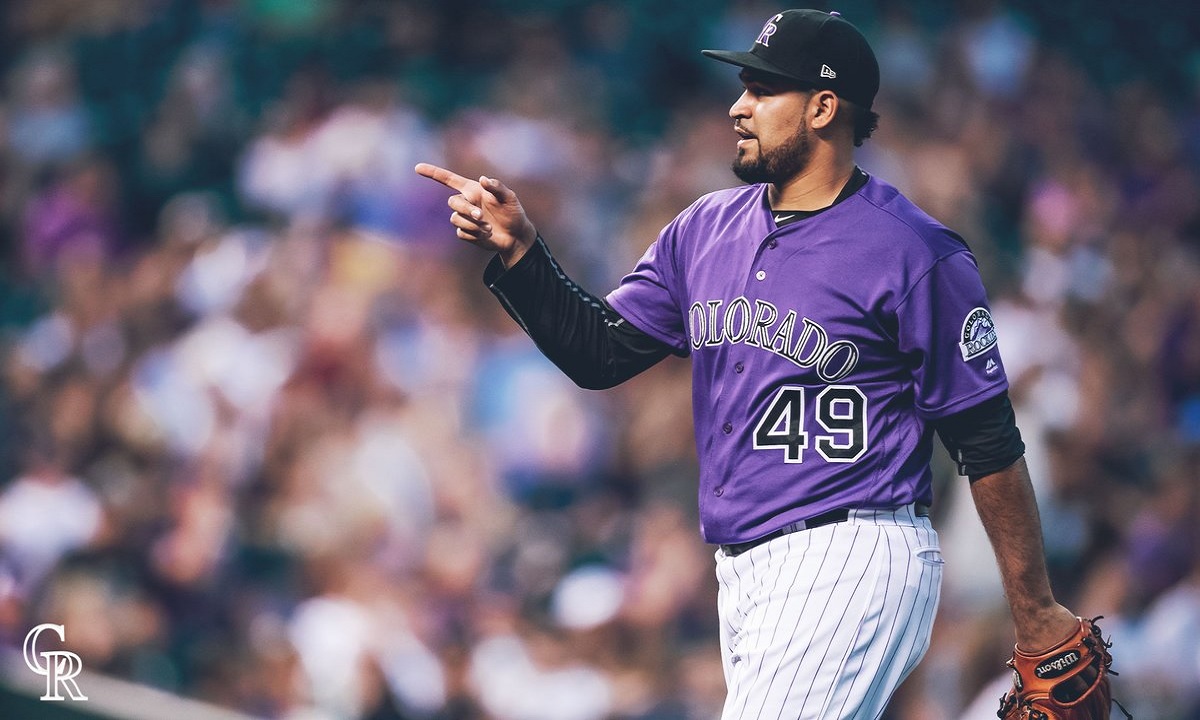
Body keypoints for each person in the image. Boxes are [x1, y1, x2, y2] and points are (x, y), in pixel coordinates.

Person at [417, 8, 1082, 719]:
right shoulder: (703, 228)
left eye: (764, 90)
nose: (739, 106)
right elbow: (599, 352)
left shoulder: (914, 251)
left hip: (853, 551)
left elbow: (986, 439)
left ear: (823, 107)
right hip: (743, 571)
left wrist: (1034, 609)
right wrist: (523, 255)